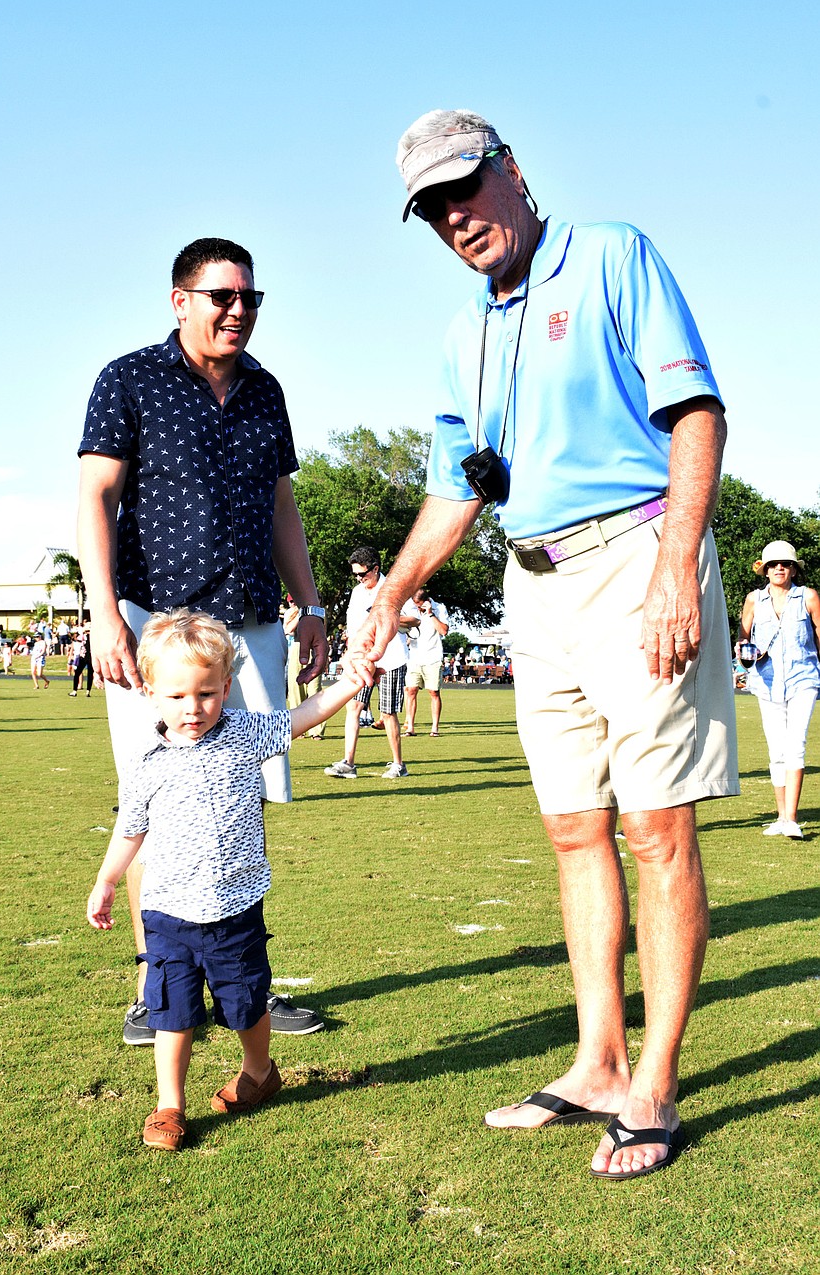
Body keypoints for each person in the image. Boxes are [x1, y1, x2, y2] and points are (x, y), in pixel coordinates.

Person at [349, 108, 739, 1181]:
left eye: (463, 189)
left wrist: (676, 569)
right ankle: (597, 1064)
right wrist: (394, 591)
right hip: (534, 585)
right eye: (431, 209)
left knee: (656, 829)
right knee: (574, 829)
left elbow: (696, 414)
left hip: (636, 556)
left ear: (511, 169)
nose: (454, 218)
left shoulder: (611, 255)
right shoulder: (462, 335)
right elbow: (455, 489)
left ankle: (653, 1084)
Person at [77, 236, 328, 1045]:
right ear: (180, 300)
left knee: (237, 801)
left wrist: (311, 603)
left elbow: (282, 504)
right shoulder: (129, 378)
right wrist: (103, 610)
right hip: (156, 625)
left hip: (250, 624)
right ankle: (155, 991)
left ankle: (244, 986)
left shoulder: (265, 390)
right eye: (223, 296)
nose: (238, 310)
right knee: (157, 803)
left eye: (250, 297)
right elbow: (95, 495)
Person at [86, 609, 363, 1151]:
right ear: (150, 693)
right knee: (172, 1011)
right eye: (177, 696)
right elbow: (130, 829)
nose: (193, 708)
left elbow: (301, 717)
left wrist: (349, 684)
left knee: (246, 1003)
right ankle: (170, 1105)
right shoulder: (145, 761)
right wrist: (107, 880)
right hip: (167, 913)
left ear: (226, 688)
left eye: (207, 693)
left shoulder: (244, 733)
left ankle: (259, 1071)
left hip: (235, 908)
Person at [737, 540, 820, 838]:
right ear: (766, 570)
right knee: (776, 750)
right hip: (766, 681)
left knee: (796, 745)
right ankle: (781, 816)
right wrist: (744, 654)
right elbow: (743, 636)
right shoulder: (753, 600)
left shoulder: (808, 597)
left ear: (794, 570)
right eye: (773, 564)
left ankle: (792, 819)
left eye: (785, 564)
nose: (779, 568)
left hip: (803, 679)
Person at [324, 547, 411, 780]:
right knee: (353, 707)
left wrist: (388, 615)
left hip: (391, 658)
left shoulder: (394, 589)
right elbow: (353, 627)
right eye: (355, 575)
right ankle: (348, 763)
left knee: (388, 712)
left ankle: (398, 765)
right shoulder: (356, 592)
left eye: (362, 574)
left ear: (375, 569)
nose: (359, 579)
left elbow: (415, 619)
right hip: (362, 660)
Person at [402, 588, 450, 736]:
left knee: (434, 692)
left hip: (433, 657)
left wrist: (430, 614)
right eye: (416, 605)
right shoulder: (409, 608)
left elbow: (444, 631)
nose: (418, 608)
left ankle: (434, 728)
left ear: (427, 601)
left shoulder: (440, 608)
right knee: (411, 690)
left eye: (420, 605)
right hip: (414, 657)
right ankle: (410, 727)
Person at [283, 596, 325, 740]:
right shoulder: (290, 613)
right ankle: (298, 728)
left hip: (314, 649)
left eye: (294, 600)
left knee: (314, 690)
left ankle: (317, 731)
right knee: (296, 690)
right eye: (291, 601)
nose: (293, 603)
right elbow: (288, 629)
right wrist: (302, 613)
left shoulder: (319, 612)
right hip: (296, 648)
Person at [69, 628, 94, 697]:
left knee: (78, 673)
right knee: (89, 674)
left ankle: (75, 691)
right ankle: (88, 691)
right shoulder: (93, 637)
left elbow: (77, 639)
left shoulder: (84, 636)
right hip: (89, 657)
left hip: (84, 656)